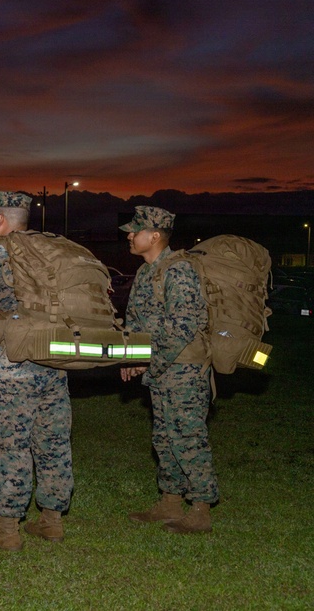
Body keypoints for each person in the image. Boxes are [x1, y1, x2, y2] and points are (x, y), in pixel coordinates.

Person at [0, 191, 73, 551]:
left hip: (12, 369)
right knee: (52, 442)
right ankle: (51, 521)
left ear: (0, 220)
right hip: (55, 363)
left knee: (7, 445)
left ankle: (7, 530)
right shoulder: (53, 254)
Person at [120, 206, 217, 534]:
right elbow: (133, 320)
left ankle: (201, 507)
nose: (129, 236)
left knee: (188, 437)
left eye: (135, 231)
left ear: (155, 235)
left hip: (184, 368)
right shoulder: (146, 272)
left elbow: (183, 326)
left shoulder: (179, 271)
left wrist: (152, 363)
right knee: (163, 438)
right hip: (161, 368)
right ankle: (170, 502)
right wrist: (133, 358)